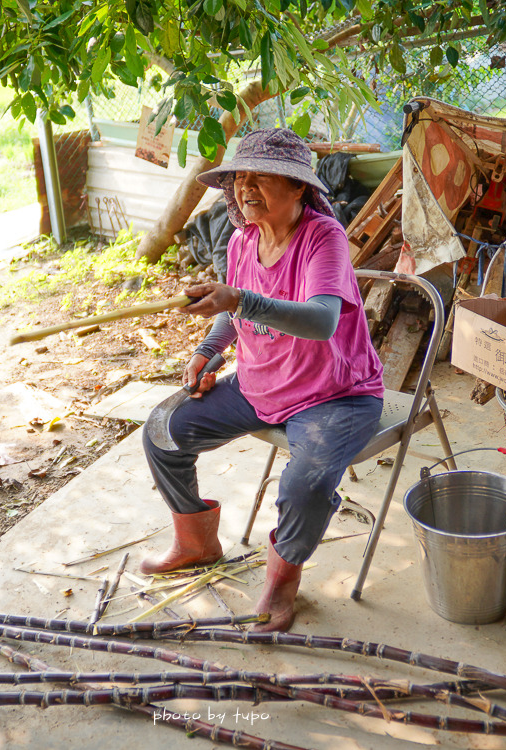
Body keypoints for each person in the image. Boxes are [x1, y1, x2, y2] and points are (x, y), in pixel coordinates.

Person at [141, 128, 385, 632]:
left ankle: (282, 579)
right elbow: (231, 313)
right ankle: (196, 543)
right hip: (260, 384)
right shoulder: (241, 238)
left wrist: (238, 300)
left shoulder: (323, 238)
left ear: (299, 188)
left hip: (334, 395)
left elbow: (319, 321)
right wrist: (208, 350)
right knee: (163, 429)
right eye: (240, 179)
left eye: (263, 178)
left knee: (307, 482)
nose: (246, 189)